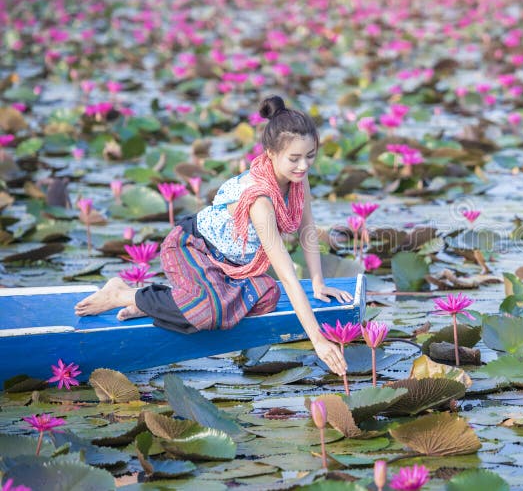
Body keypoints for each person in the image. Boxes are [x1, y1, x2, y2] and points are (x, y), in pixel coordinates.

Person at [74, 95, 349, 376]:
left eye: (310, 156)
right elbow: (289, 276)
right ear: (270, 153)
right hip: (192, 247)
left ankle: (156, 305)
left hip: (232, 266)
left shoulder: (298, 182)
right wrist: (318, 340)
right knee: (210, 312)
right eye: (294, 158)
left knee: (266, 296)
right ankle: (124, 294)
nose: (303, 166)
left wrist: (318, 283)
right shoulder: (260, 201)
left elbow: (308, 230)